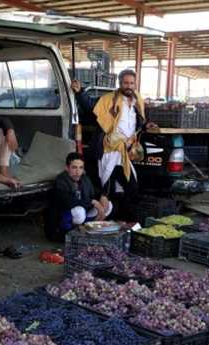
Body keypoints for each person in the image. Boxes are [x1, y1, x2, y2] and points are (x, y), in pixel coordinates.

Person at [71, 69, 157, 213]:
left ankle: (125, 221)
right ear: (120, 83)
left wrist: (146, 125)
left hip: (125, 152)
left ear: (135, 84)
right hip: (109, 150)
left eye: (131, 83)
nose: (128, 86)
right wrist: (80, 93)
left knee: (131, 188)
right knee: (106, 189)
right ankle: (101, 221)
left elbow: (138, 120)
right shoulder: (109, 99)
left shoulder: (137, 101)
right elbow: (91, 106)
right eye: (125, 83)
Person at [53, 152, 113, 233]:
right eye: (74, 167)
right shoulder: (60, 180)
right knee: (79, 212)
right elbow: (69, 202)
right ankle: (71, 232)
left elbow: (94, 192)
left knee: (108, 205)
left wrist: (102, 196)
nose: (78, 172)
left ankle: (89, 228)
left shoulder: (84, 178)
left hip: (83, 212)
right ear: (67, 168)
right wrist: (93, 202)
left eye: (81, 168)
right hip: (65, 218)